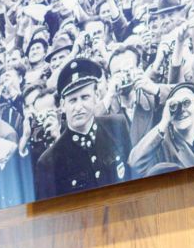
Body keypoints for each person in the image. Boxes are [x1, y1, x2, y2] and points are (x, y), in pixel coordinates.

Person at [33, 58, 130, 199]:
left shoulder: (117, 125)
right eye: (72, 100)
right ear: (62, 105)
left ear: (96, 96)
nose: (78, 107)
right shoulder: (49, 162)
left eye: (85, 97)